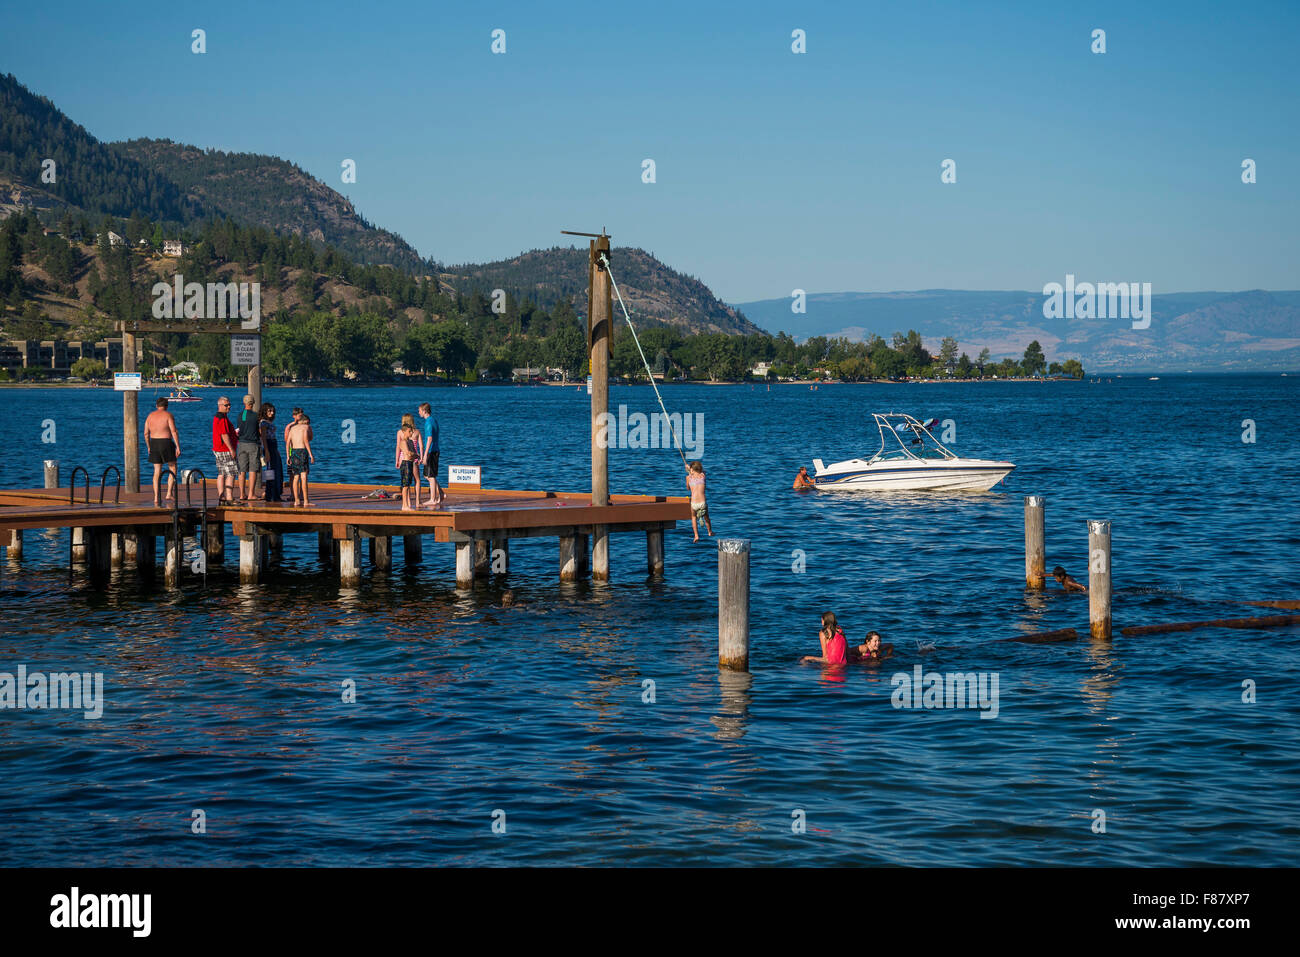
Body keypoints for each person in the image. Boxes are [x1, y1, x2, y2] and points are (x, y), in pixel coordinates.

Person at [144, 396, 180, 507]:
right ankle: (169, 493)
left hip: (154, 443)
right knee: (172, 467)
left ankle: (156, 497)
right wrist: (178, 446)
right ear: (166, 406)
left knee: (157, 471)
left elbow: (146, 434)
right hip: (166, 442)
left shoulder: (150, 416)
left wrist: (149, 446)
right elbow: (173, 431)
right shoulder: (168, 415)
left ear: (156, 406)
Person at [211, 396, 239, 504]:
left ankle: (221, 496)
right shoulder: (222, 418)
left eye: (229, 404)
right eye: (226, 405)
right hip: (224, 449)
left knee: (221, 473)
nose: (229, 407)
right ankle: (229, 497)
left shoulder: (219, 417)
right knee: (231, 473)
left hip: (218, 449)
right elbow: (224, 434)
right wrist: (231, 449)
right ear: (220, 406)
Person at [394, 413, 424, 511]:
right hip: (410, 459)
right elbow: (420, 446)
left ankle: (408, 503)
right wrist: (420, 457)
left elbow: (398, 447)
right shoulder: (417, 432)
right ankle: (416, 502)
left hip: (404, 459)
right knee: (415, 481)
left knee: (407, 483)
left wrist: (397, 459)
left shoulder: (400, 433)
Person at [234, 394, 261, 502]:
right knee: (253, 469)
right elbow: (257, 430)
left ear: (244, 403)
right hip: (253, 444)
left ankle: (241, 494)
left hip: (241, 444)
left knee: (242, 469)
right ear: (253, 403)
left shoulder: (241, 415)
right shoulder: (256, 416)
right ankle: (251, 494)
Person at [418, 402, 444, 507]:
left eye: (419, 410)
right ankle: (441, 493)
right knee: (427, 475)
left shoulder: (428, 422)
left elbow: (429, 439)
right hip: (435, 450)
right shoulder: (433, 420)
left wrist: (425, 455)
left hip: (432, 451)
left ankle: (433, 499)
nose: (418, 412)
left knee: (430, 476)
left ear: (424, 411)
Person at [286, 413, 315, 507]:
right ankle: (306, 501)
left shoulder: (292, 428)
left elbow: (288, 443)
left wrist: (288, 456)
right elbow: (306, 441)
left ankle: (297, 500)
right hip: (302, 452)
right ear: (305, 421)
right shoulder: (305, 428)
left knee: (295, 477)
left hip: (294, 452)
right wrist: (311, 455)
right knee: (303, 477)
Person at [259, 403, 284, 503]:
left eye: (273, 411)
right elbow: (263, 438)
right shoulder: (263, 423)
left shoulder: (268, 422)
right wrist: (267, 451)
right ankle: (271, 495)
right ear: (265, 411)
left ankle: (275, 494)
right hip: (268, 445)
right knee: (270, 471)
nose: (272, 413)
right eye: (269, 411)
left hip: (274, 445)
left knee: (277, 470)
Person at [686, 460, 712, 542]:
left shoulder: (688, 478)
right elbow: (703, 471)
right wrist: (690, 470)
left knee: (693, 518)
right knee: (706, 517)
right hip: (702, 503)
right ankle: (709, 531)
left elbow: (688, 488)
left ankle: (696, 535)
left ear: (692, 470)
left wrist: (689, 472)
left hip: (694, 503)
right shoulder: (703, 476)